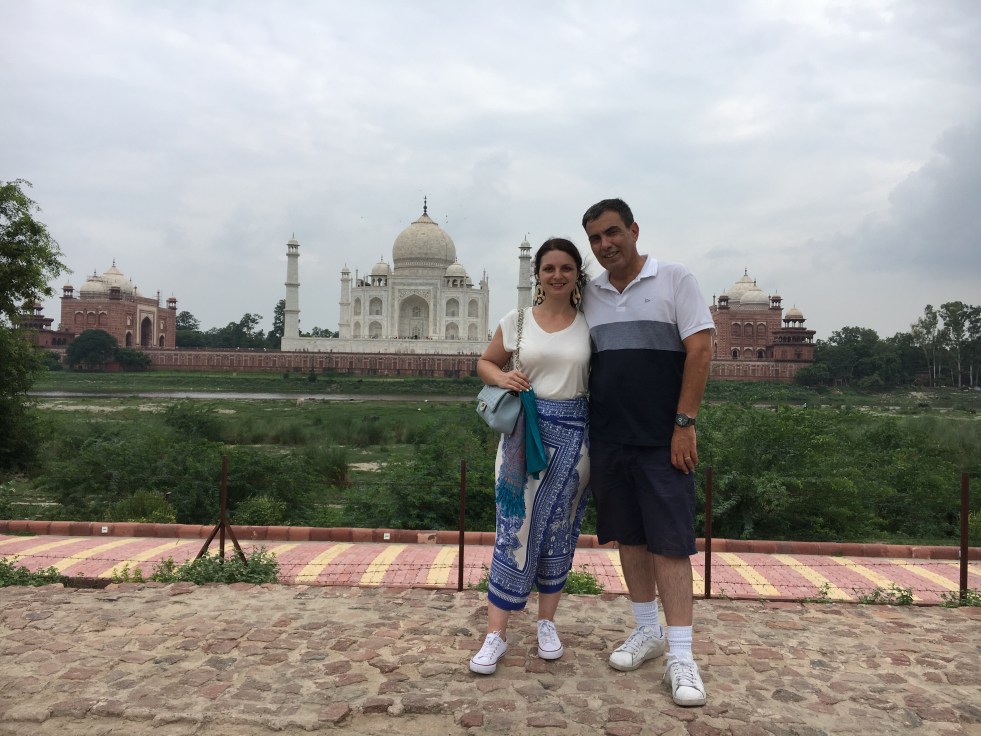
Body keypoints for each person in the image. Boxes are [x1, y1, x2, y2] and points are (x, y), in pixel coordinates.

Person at [581, 198, 714, 707]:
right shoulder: (590, 293)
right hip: (609, 437)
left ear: (634, 230)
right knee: (630, 539)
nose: (605, 245)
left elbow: (700, 349)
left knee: (670, 544)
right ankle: (646, 630)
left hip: (662, 438)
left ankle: (681, 653)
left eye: (612, 233)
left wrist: (684, 423)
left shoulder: (675, 279)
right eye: (595, 238)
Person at [469, 238, 591, 675]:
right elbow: (485, 363)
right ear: (537, 274)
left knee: (559, 531)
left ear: (577, 274)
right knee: (512, 529)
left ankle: (546, 624)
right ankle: (495, 634)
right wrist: (503, 377)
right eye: (549, 268)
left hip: (575, 441)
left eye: (566, 268)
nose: (557, 275)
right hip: (524, 436)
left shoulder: (591, 324)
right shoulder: (517, 320)